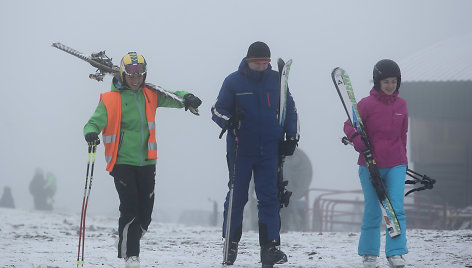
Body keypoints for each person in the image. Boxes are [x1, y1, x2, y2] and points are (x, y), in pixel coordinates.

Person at [83, 52, 201, 268]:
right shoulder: (110, 99)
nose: (135, 79)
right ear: (123, 74)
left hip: (147, 162)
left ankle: (128, 239)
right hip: (121, 162)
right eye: (131, 75)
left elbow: (173, 96)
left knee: (145, 215)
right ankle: (131, 256)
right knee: (130, 207)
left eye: (140, 75)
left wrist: (188, 97)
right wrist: (91, 134)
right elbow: (93, 123)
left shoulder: (151, 94)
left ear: (144, 75)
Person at [211, 41, 299, 266]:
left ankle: (269, 247)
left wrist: (291, 137)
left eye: (264, 63)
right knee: (237, 196)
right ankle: (230, 242)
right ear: (248, 61)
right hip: (241, 148)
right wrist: (230, 121)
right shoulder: (233, 81)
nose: (261, 66)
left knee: (269, 197)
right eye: (256, 63)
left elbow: (289, 108)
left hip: (269, 148)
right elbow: (217, 110)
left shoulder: (276, 81)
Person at [343, 59, 408, 268]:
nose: (390, 85)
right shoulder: (365, 104)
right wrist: (357, 140)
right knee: (373, 209)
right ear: (378, 82)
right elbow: (348, 126)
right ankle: (369, 253)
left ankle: (395, 252)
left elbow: (403, 134)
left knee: (395, 209)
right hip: (370, 165)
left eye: (394, 81)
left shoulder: (401, 105)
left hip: (396, 164)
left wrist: (404, 159)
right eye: (386, 81)